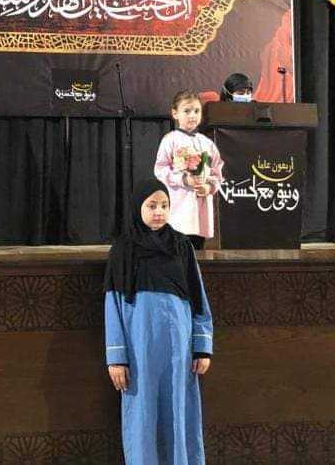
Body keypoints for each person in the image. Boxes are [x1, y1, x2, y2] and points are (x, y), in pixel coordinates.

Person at [104, 179, 214, 465]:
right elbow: (112, 305)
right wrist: (117, 358)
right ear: (137, 208)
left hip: (178, 353)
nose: (159, 212)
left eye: (164, 205)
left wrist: (202, 347)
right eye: (151, 206)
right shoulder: (123, 249)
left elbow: (198, 297)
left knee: (179, 411)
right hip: (139, 351)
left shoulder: (181, 246)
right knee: (142, 414)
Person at [154, 90, 224, 249]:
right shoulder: (170, 140)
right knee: (176, 251)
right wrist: (184, 179)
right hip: (178, 209)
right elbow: (160, 169)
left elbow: (217, 173)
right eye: (187, 111)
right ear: (175, 113)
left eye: (196, 111)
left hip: (200, 212)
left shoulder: (207, 143)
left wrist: (209, 187)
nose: (192, 115)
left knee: (196, 252)